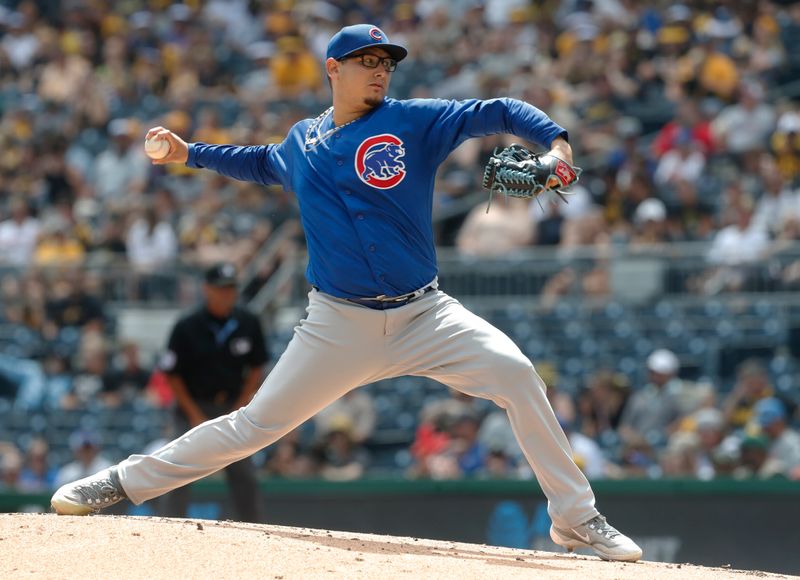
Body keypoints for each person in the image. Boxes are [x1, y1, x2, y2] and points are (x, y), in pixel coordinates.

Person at [51, 24, 641, 562]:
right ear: (332, 69)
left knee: (517, 375)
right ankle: (120, 482)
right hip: (337, 325)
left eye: (386, 61)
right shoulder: (302, 142)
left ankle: (577, 519)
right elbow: (260, 162)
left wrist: (556, 142)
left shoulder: (413, 121)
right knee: (254, 425)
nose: (381, 69)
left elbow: (498, 109)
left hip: (425, 314)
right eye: (366, 60)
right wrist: (190, 154)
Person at [155, 262, 269, 523]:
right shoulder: (187, 325)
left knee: (244, 474)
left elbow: (257, 367)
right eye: (221, 288)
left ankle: (255, 528)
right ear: (206, 289)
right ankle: (170, 527)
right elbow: (171, 373)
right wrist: (194, 414)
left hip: (231, 407)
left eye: (231, 288)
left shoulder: (248, 322)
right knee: (178, 469)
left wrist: (240, 406)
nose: (226, 294)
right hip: (192, 408)